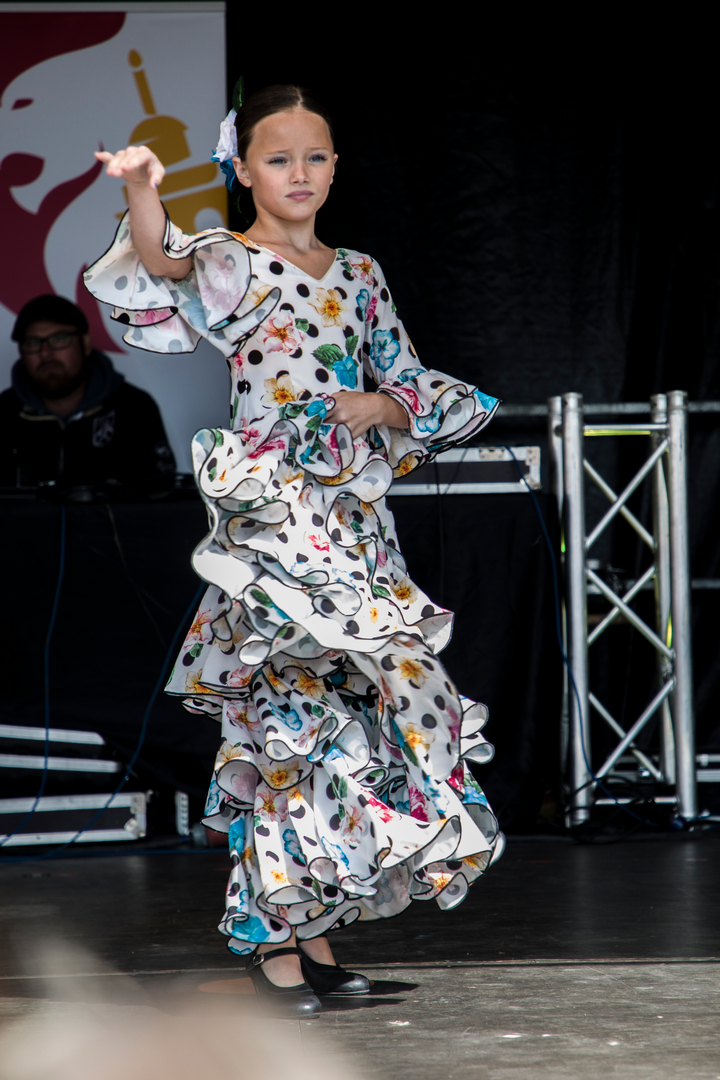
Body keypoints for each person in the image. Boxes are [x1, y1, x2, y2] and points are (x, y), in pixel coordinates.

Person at [85, 83, 503, 1018]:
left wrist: (380, 404)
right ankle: (273, 948)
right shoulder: (232, 259)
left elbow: (403, 377)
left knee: (342, 726)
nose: (300, 173)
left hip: (352, 527)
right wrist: (145, 185)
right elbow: (161, 260)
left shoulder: (360, 271)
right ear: (242, 169)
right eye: (279, 158)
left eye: (315, 157)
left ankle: (312, 939)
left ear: (336, 167)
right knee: (279, 722)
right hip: (273, 524)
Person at [0, 294, 175, 488]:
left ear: (85, 344)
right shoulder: (4, 414)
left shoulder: (134, 409)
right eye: (33, 343)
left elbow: (161, 495)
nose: (45, 353)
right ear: (21, 353)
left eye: (59, 339)